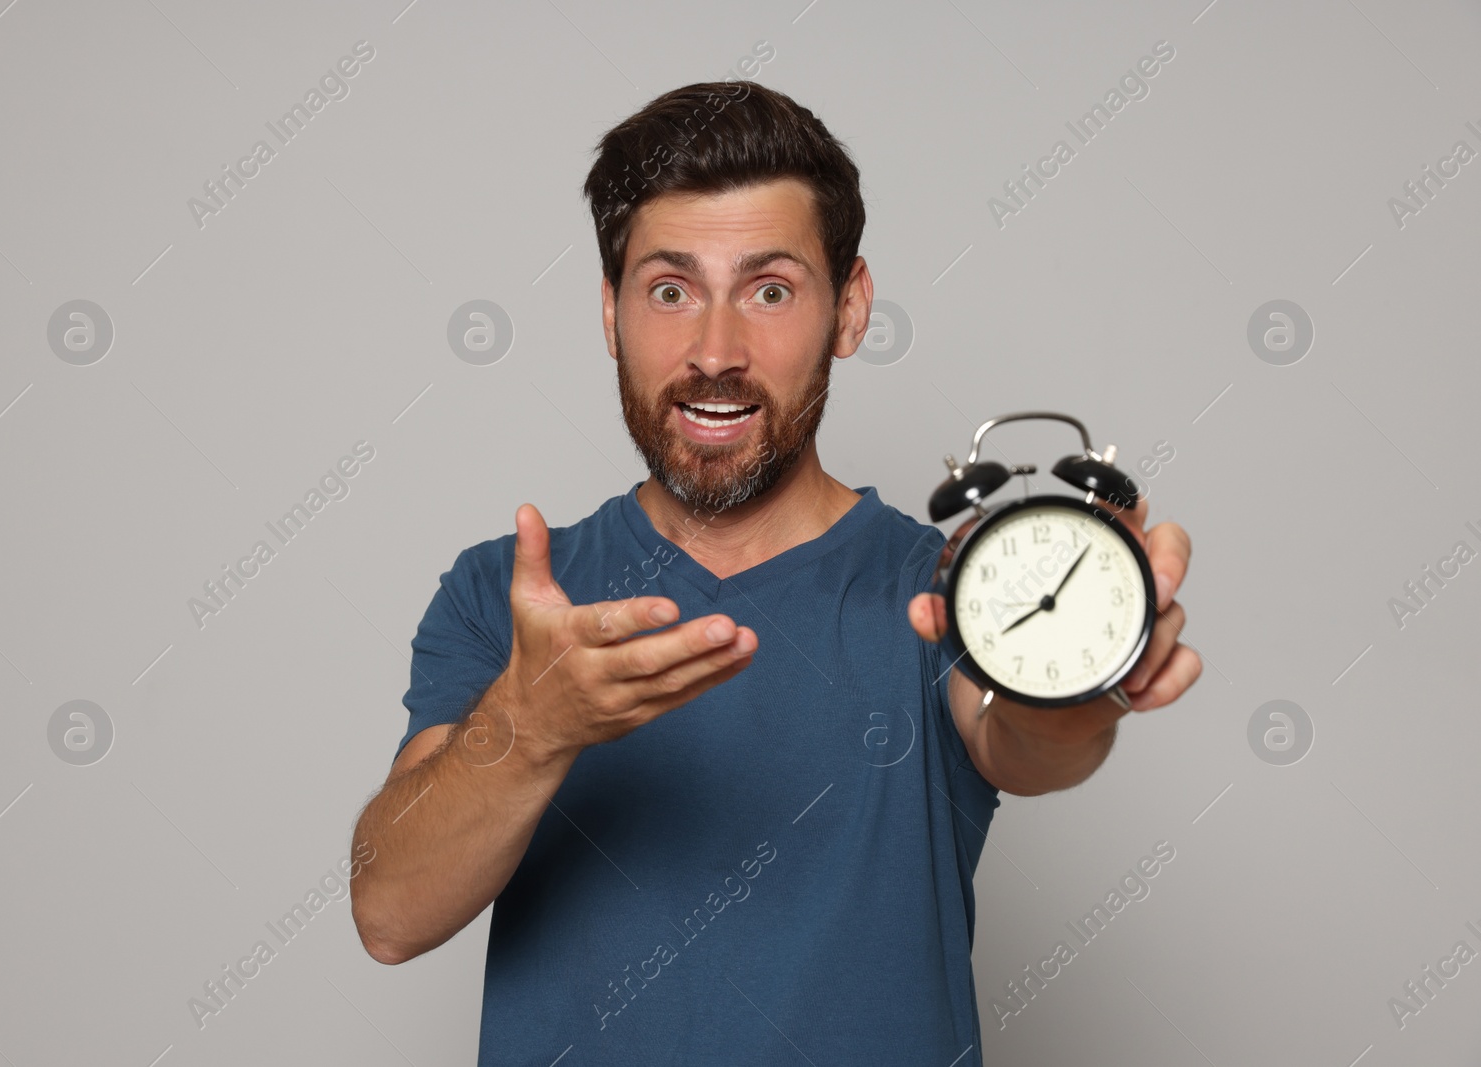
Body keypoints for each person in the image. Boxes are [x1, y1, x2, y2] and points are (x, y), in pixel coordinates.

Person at [348, 81, 1199, 1065]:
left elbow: (1029, 745)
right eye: (669, 289)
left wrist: (1075, 671)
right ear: (609, 312)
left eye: (769, 289)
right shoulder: (507, 595)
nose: (715, 350)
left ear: (849, 307)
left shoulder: (942, 585)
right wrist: (532, 726)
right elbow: (390, 912)